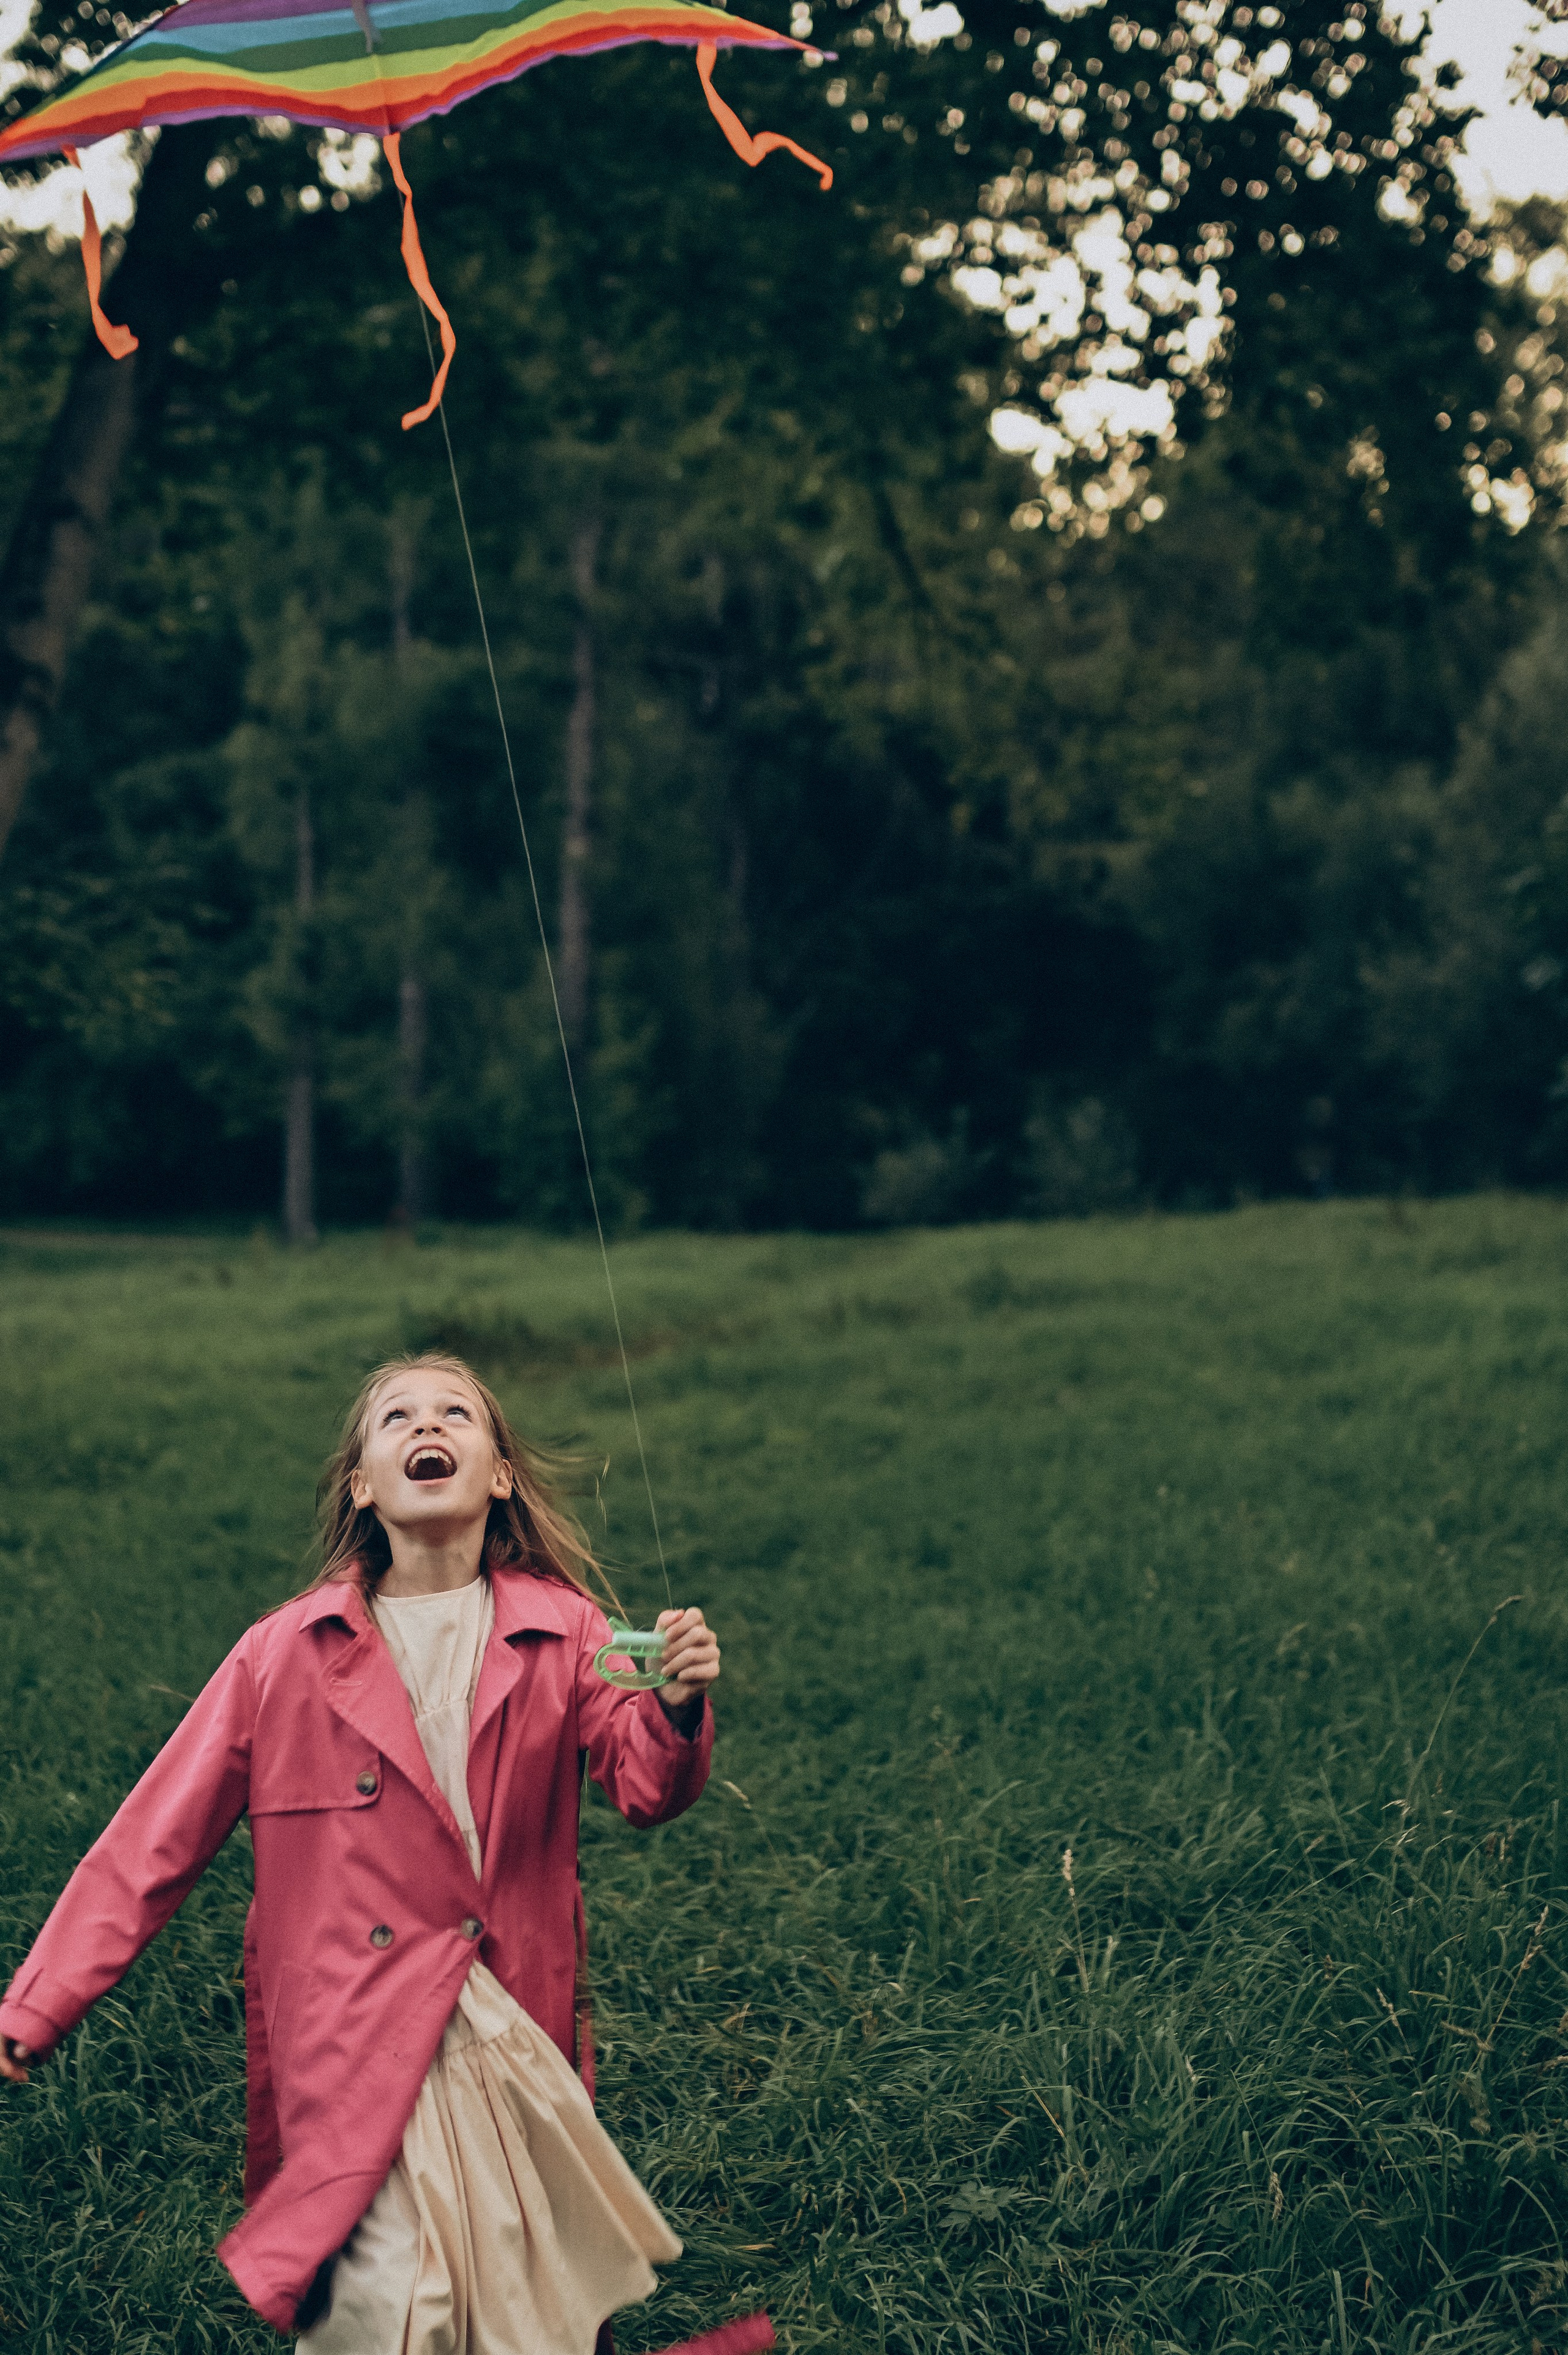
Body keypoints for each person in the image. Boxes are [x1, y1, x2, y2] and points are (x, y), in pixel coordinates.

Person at [0, 1350, 720, 2352]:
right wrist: (37, 2001)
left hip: (505, 2017)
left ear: (499, 1473)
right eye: (397, 1417)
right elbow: (150, 1840)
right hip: (352, 2035)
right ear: (362, 1482)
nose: (429, 1426)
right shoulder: (282, 1651)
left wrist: (677, 1706)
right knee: (387, 2302)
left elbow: (645, 1786)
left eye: (458, 1413)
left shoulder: (564, 1629)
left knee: (522, 2297)